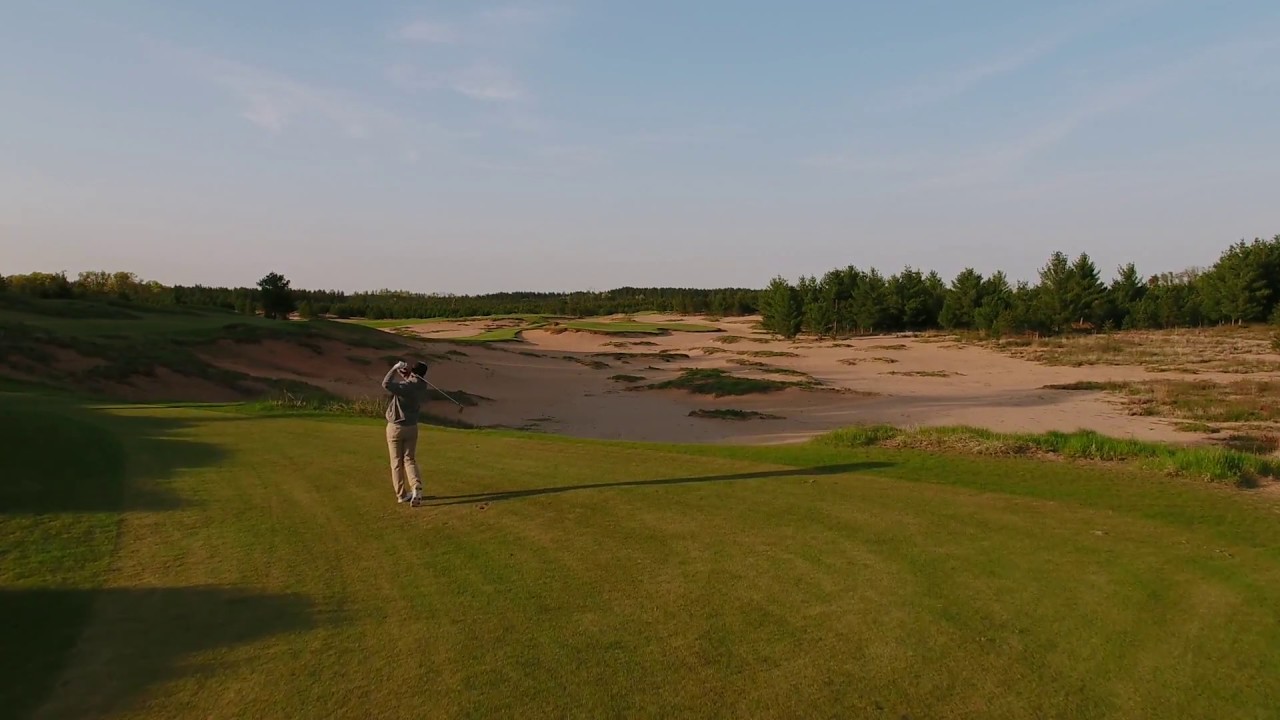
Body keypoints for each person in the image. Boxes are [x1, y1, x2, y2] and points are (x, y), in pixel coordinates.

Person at [382, 360, 431, 506]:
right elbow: (411, 382)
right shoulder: (422, 385)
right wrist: (405, 373)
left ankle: (401, 495)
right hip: (412, 428)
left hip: (396, 428)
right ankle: (416, 486)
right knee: (409, 459)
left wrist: (394, 367)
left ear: (414, 372)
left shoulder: (406, 387)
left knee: (396, 463)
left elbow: (386, 384)